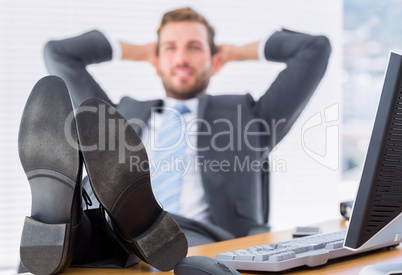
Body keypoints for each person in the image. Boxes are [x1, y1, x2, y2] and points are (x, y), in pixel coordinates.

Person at [19, 6, 331, 273]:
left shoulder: (248, 116)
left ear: (215, 60)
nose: (181, 57)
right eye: (170, 48)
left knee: (162, 246)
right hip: (111, 229)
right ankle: (67, 219)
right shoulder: (118, 114)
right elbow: (59, 54)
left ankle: (92, 223)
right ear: (155, 60)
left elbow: (314, 49)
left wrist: (236, 52)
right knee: (84, 240)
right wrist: (138, 51)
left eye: (194, 47)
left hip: (198, 236)